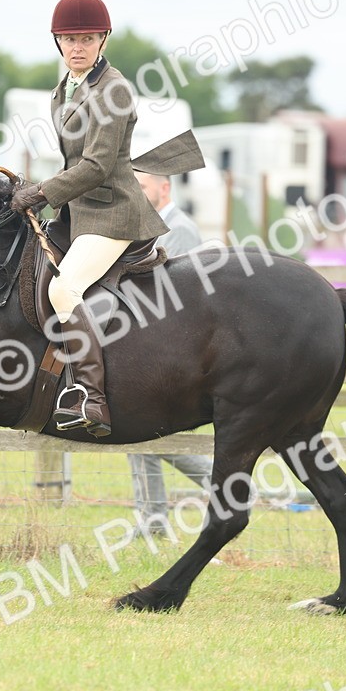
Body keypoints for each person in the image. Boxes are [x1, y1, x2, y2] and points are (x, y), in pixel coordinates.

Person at [9, 0, 170, 438]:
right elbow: (70, 165)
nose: (77, 47)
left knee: (63, 290)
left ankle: (92, 398)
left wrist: (42, 192)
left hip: (113, 213)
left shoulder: (114, 89)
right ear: (58, 42)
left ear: (102, 39)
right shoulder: (64, 89)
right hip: (78, 212)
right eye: (68, 39)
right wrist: (33, 189)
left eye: (86, 38)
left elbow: (97, 166)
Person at [126, 171, 212, 533]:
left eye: (142, 187)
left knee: (146, 435)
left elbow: (165, 292)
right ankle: (153, 522)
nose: (137, 194)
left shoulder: (179, 229)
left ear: (165, 188)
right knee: (138, 437)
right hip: (156, 346)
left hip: (176, 350)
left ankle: (230, 485)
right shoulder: (153, 224)